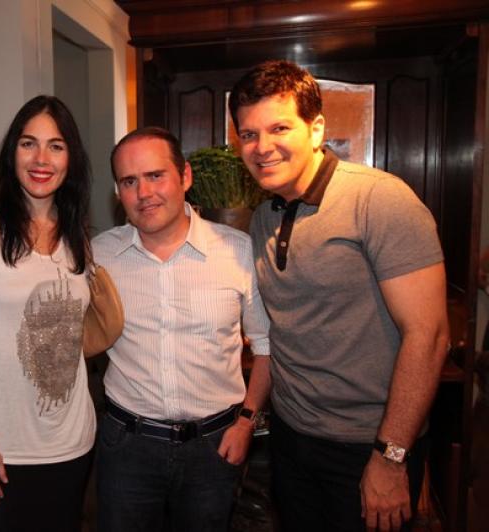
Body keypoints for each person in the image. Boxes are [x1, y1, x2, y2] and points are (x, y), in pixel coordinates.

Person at [229, 60, 450, 532]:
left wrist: (391, 456)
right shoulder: (264, 216)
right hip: (292, 440)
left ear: (316, 129)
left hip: (368, 447)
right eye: (248, 134)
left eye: (279, 128)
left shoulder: (380, 200)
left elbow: (429, 336)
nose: (262, 147)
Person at [92, 126, 272, 532]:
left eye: (156, 175)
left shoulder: (237, 251)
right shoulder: (99, 256)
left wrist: (247, 422)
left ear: (185, 176)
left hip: (215, 446)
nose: (144, 193)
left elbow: (265, 346)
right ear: (118, 191)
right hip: (127, 448)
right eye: (129, 181)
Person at [0, 95, 96, 532]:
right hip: (1, 452)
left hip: (72, 446)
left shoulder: (77, 237)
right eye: (28, 143)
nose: (41, 159)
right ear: (11, 152)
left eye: (56, 146)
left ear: (71, 158)